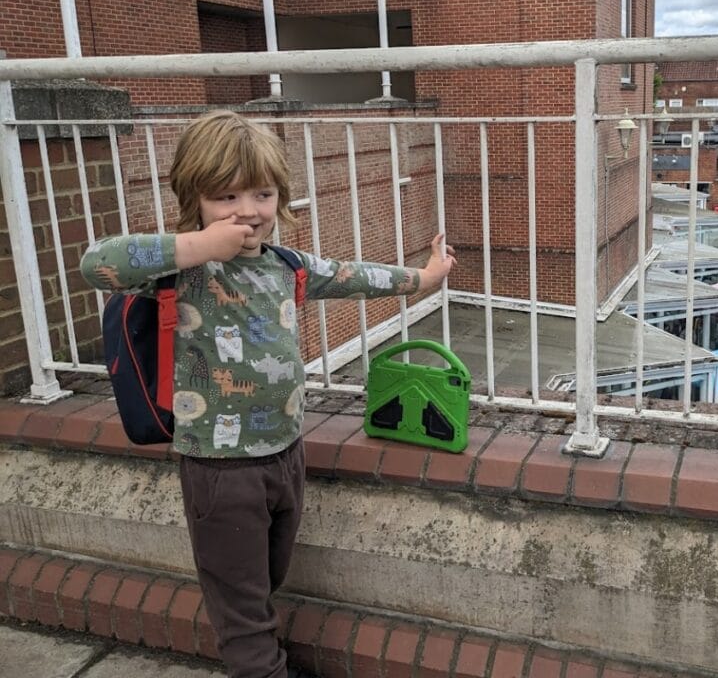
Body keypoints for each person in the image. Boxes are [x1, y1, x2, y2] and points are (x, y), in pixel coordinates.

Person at [81, 110, 456, 678]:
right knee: (242, 609)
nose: (248, 210)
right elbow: (97, 264)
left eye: (262, 193)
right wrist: (198, 245)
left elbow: (355, 275)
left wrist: (425, 278)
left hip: (284, 453)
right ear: (195, 199)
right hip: (218, 464)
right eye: (225, 195)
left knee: (263, 579)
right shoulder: (187, 270)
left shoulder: (287, 266)